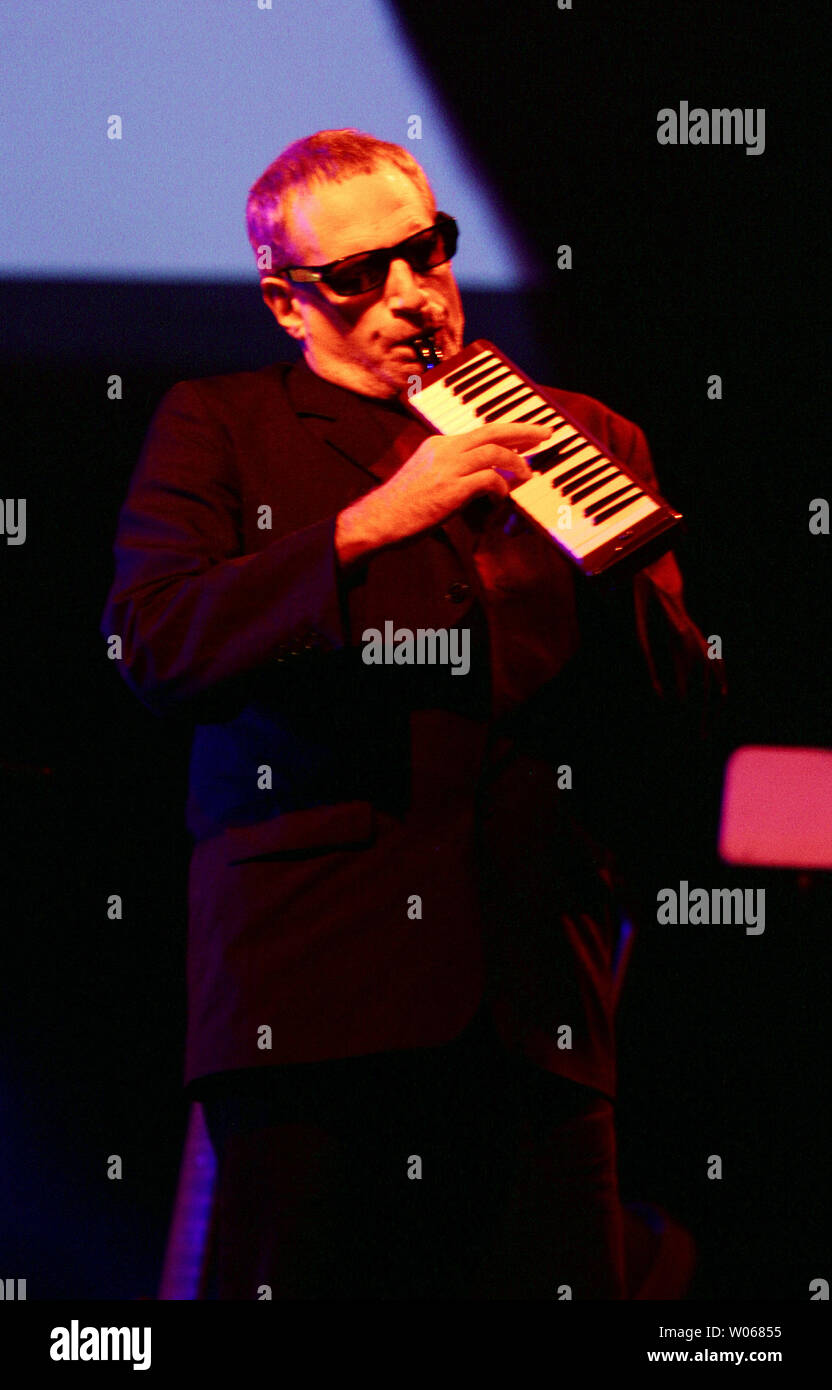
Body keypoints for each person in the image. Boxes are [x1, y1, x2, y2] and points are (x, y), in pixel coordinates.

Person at [101, 129, 723, 1299]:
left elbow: (679, 711)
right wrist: (369, 522)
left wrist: (607, 543)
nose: (407, 295)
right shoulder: (220, 425)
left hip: (534, 995)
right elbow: (153, 642)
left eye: (424, 253)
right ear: (290, 303)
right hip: (317, 993)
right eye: (357, 276)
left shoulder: (580, 436)